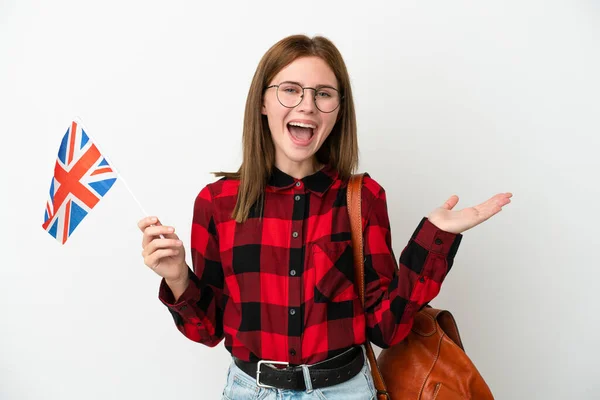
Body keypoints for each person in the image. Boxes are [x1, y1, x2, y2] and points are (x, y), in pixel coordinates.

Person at [137, 34, 512, 400]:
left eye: (324, 94)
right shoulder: (217, 202)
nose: (307, 105)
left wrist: (434, 238)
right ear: (263, 103)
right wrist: (178, 277)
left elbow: (387, 328)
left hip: (346, 389)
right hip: (249, 390)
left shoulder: (363, 198)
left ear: (338, 110)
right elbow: (209, 330)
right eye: (290, 89)